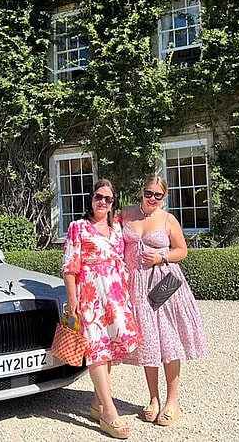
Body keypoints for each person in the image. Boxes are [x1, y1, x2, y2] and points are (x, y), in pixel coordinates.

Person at [118, 175, 208, 427]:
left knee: (169, 341)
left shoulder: (168, 219)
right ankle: (153, 398)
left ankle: (172, 401)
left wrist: (161, 258)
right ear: (142, 191)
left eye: (158, 195)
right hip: (135, 285)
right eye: (149, 193)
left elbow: (182, 250)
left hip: (164, 285)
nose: (152, 198)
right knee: (148, 342)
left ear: (164, 196)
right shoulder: (126, 215)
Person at [62, 179, 142, 439]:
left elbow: (141, 214)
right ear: (91, 198)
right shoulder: (78, 227)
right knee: (96, 348)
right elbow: (70, 267)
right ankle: (109, 411)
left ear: (113, 203)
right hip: (90, 294)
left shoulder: (117, 226)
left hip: (116, 295)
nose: (103, 202)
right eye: (99, 197)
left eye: (108, 199)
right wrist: (72, 298)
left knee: (108, 347)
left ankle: (97, 403)